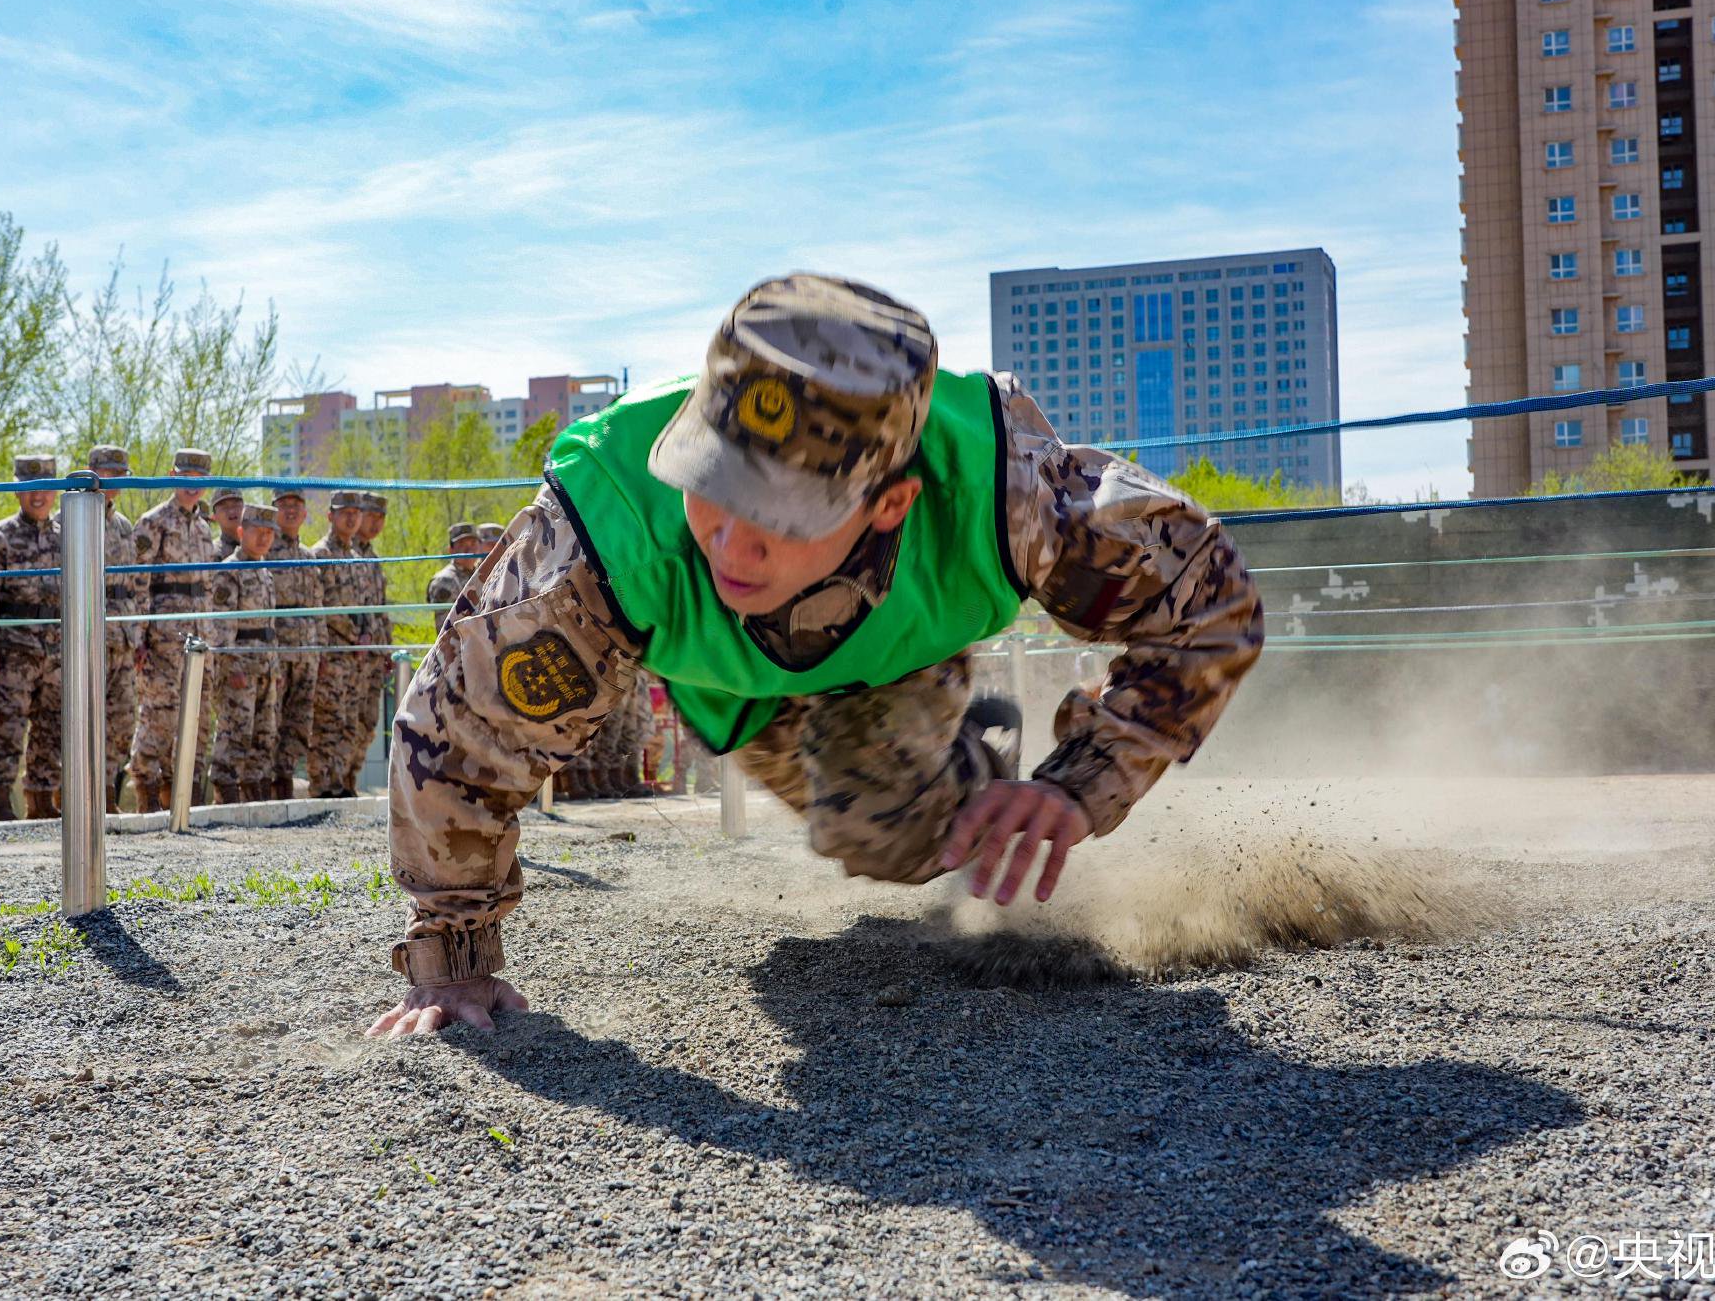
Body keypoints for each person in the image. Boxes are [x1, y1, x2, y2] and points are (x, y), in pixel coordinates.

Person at [370, 274, 1265, 1037]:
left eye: (780, 516)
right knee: (878, 835)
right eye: (711, 487)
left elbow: (1209, 600)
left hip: (900, 659)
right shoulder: (605, 531)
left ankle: (961, 741)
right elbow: (455, 735)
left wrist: (1080, 783)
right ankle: (951, 752)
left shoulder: (1010, 489)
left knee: (918, 836)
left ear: (890, 503)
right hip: (744, 690)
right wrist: (452, 961)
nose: (730, 543)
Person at [0, 456, 64, 821]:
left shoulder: (66, 535)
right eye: (30, 488)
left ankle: (41, 799)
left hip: (56, 648)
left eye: (45, 488)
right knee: (5, 726)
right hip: (13, 649)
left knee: (52, 726)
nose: (38, 496)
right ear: (16, 490)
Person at [128, 450, 217, 813]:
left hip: (199, 634)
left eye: (200, 479)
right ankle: (146, 792)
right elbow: (138, 582)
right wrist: (139, 636)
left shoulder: (204, 527)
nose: (193, 486)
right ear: (172, 475)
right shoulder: (153, 522)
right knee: (159, 714)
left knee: (196, 714)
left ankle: (182, 794)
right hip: (164, 635)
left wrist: (211, 636)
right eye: (186, 477)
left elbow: (208, 586)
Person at [209, 502, 281, 804]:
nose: (263, 538)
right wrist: (232, 665)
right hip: (241, 666)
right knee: (235, 732)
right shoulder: (229, 570)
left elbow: (270, 625)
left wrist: (274, 668)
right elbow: (222, 626)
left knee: (264, 734)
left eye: (269, 533)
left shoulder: (266, 572)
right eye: (257, 531)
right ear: (241, 532)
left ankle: (256, 793)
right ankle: (226, 794)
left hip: (265, 665)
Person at [89, 446, 144, 811]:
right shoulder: (71, 518)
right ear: (91, 471)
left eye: (119, 472)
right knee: (86, 716)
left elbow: (136, 583)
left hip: (123, 636)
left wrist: (138, 634)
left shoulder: (124, 526)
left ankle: (108, 789)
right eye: (107, 470)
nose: (114, 478)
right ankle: (79, 791)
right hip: (90, 635)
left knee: (123, 718)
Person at [307, 490, 366, 796]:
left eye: (356, 512)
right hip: (332, 650)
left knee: (349, 722)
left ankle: (339, 782)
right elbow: (320, 606)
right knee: (327, 722)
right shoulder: (319, 554)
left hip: (355, 655)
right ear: (330, 516)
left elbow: (364, 605)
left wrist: (364, 636)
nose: (351, 517)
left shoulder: (357, 558)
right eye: (345, 512)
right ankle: (320, 785)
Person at [266, 485, 322, 800]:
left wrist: (321, 649)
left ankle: (284, 781)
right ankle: (263, 786)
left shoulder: (309, 557)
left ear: (305, 513)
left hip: (307, 652)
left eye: (296, 506)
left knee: (299, 723)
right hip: (278, 651)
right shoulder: (265, 551)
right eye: (283, 505)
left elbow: (318, 607)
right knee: (270, 721)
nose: (290, 511)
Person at [341, 492, 394, 793]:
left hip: (373, 654)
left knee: (367, 722)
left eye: (380, 518)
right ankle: (336, 782)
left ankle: (350, 779)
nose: (374, 523)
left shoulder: (370, 556)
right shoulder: (346, 554)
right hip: (348, 652)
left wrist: (386, 647)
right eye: (369, 515)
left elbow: (380, 609)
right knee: (342, 721)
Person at [426, 522, 482, 633]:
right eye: (462, 544)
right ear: (451, 550)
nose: (469, 549)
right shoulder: (443, 580)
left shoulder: (483, 574)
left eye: (473, 543)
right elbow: (447, 629)